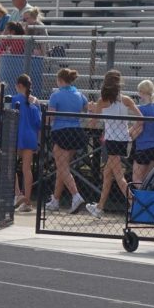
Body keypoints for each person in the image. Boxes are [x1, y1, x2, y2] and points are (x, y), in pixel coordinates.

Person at [85, 70, 140, 219]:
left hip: (112, 140)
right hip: (122, 140)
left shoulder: (103, 100)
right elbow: (140, 119)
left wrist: (91, 110)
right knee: (107, 174)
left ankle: (135, 203)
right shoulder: (126, 99)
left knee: (118, 175)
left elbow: (92, 123)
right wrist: (130, 132)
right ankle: (100, 207)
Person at [46, 68, 90, 214]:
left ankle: (76, 196)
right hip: (75, 132)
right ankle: (55, 200)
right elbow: (87, 108)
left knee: (62, 167)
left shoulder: (56, 95)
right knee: (62, 167)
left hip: (61, 131)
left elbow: (50, 116)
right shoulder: (79, 94)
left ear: (60, 80)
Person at [11, 74, 41, 212]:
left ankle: (18, 194)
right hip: (30, 137)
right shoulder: (34, 104)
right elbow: (38, 124)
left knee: (10, 166)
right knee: (26, 169)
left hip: (16, 135)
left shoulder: (13, 99)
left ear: (20, 86)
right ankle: (27, 201)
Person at [132, 80, 154, 185]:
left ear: (142, 92)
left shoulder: (140, 109)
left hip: (143, 147)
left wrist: (129, 137)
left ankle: (141, 200)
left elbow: (138, 128)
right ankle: (147, 199)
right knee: (148, 180)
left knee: (136, 180)